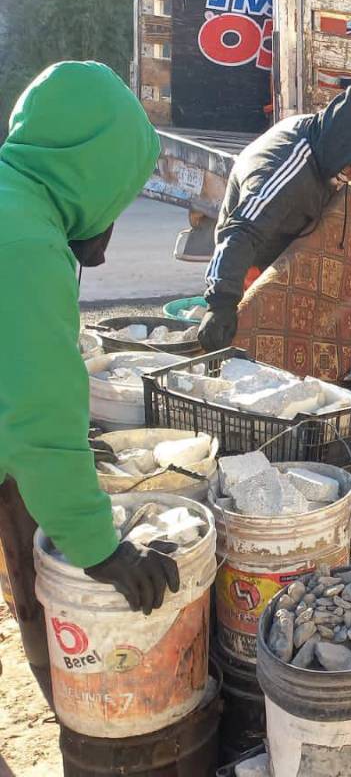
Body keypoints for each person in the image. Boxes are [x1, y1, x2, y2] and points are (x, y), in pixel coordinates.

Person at [0, 62, 181, 700]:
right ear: (92, 173)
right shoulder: (25, 243)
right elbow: (38, 421)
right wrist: (102, 550)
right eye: (117, 196)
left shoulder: (13, 200)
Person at [198, 85, 351, 351]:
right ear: (341, 148)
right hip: (253, 255)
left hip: (288, 239)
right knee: (245, 337)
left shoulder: (327, 145)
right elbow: (242, 231)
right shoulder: (286, 168)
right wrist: (220, 303)